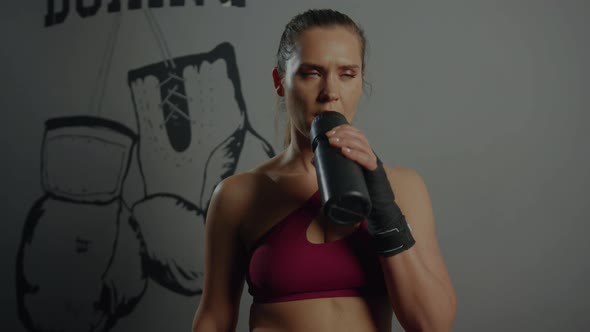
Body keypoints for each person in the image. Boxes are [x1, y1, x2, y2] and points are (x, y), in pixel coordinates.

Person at [192, 8, 457, 332]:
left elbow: (433, 324)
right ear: (280, 82)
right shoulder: (239, 194)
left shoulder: (404, 187)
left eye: (347, 73)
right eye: (311, 73)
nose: (330, 91)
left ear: (361, 81)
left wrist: (383, 206)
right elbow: (214, 319)